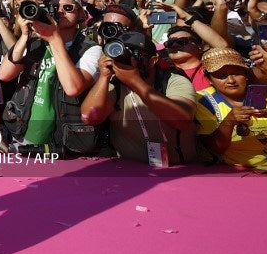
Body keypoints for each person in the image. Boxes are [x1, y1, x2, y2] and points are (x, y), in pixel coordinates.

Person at [0, 0, 108, 156]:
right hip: (23, 133)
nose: (60, 11)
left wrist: (54, 39)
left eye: (68, 7)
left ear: (81, 14)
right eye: (55, 7)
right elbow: (4, 75)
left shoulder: (91, 49)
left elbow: (73, 88)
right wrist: (24, 36)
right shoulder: (35, 44)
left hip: (64, 143)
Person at [80, 32, 197, 166]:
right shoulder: (115, 84)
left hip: (179, 170)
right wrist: (104, 76)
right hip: (130, 170)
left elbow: (182, 121)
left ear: (153, 60)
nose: (127, 60)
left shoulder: (172, 80)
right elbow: (89, 117)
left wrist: (135, 82)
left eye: (133, 54)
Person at [194, 48, 267, 172]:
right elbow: (215, 148)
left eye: (237, 73)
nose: (231, 81)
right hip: (228, 174)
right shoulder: (203, 101)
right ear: (209, 79)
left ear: (246, 74)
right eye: (221, 76)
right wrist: (229, 121)